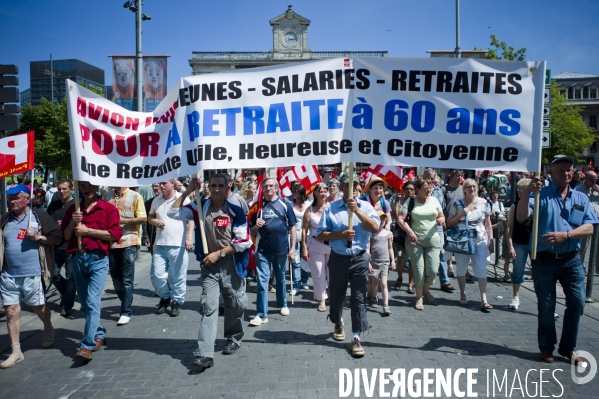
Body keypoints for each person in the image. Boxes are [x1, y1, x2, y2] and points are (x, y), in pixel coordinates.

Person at [517, 155, 599, 365]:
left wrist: (566, 235)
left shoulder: (580, 197)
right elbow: (521, 216)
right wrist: (527, 192)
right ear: (551, 173)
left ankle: (568, 348)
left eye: (569, 170)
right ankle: (546, 347)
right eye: (561, 170)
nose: (566, 173)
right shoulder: (540, 194)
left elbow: (590, 227)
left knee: (577, 303)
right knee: (546, 305)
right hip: (544, 259)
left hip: (571, 260)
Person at [169, 174, 251, 368]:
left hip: (231, 262)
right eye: (212, 185)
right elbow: (174, 212)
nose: (216, 189)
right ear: (207, 187)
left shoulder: (235, 211)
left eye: (220, 186)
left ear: (227, 187)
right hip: (209, 265)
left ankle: (234, 337)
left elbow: (243, 241)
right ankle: (205, 353)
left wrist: (220, 253)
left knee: (235, 302)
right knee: (209, 306)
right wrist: (188, 190)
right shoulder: (200, 206)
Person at [316, 172, 380, 357]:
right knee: (336, 295)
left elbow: (375, 228)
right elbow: (320, 234)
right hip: (338, 258)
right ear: (342, 188)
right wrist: (340, 235)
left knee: (359, 297)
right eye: (348, 185)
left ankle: (356, 336)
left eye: (356, 185)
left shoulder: (366, 207)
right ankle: (338, 321)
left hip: (360, 258)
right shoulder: (331, 208)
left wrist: (357, 211)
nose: (353, 189)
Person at [0, 184, 61, 368]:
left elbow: (56, 238)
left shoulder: (39, 216)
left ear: (27, 199)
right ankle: (16, 351)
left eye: (16, 197)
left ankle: (48, 326)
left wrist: (38, 238)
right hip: (9, 274)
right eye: (10, 198)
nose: (12, 201)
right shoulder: (5, 219)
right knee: (11, 312)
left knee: (38, 307)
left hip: (34, 273)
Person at [62, 181, 123, 361]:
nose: (86, 189)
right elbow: (66, 236)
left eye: (89, 186)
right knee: (84, 304)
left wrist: (88, 231)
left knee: (92, 300)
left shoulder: (108, 209)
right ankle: (98, 332)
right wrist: (74, 223)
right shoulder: (74, 209)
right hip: (78, 258)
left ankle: (86, 345)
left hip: (98, 259)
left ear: (97, 187)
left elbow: (114, 235)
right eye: (82, 186)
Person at [249, 178, 296, 325]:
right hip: (262, 249)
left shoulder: (285, 204)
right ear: (262, 189)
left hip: (281, 248)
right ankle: (261, 314)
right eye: (266, 186)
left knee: (280, 278)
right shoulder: (257, 206)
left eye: (271, 186)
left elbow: (292, 227)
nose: (268, 188)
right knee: (262, 281)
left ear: (276, 188)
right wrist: (256, 226)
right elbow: (250, 231)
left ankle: (283, 304)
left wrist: (293, 248)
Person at [447, 179, 494, 311]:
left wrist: (491, 241)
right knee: (461, 268)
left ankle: (484, 299)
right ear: (464, 190)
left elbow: (488, 223)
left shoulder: (484, 203)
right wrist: (464, 212)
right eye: (469, 187)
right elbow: (449, 223)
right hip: (462, 239)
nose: (472, 188)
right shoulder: (457, 204)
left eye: (474, 186)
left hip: (479, 238)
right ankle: (462, 293)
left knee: (481, 268)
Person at [148, 180, 194, 316]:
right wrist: (154, 220)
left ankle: (176, 301)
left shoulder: (182, 199)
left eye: (164, 183)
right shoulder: (156, 200)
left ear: (173, 184)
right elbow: (150, 217)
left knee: (178, 276)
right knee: (156, 275)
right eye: (160, 183)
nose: (161, 186)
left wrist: (189, 238)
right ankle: (165, 296)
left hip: (178, 243)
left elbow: (191, 220)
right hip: (160, 243)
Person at [398, 178, 444, 310]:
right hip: (414, 240)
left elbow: (442, 216)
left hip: (433, 239)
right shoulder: (411, 201)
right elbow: (400, 219)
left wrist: (441, 219)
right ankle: (419, 298)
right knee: (419, 270)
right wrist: (409, 231)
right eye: (426, 188)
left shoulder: (434, 200)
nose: (429, 190)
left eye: (430, 188)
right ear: (418, 189)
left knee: (433, 270)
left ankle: (425, 290)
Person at [103, 186, 147, 326]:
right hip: (111, 241)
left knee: (127, 279)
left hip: (129, 240)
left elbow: (143, 218)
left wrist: (124, 221)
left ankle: (125, 311)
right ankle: (126, 299)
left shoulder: (135, 196)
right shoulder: (107, 195)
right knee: (115, 278)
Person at [47, 178, 77, 317]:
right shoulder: (53, 205)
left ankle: (67, 305)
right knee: (53, 274)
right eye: (59, 189)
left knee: (71, 276)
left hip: (70, 246)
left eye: (64, 189)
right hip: (55, 245)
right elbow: (46, 221)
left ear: (71, 189)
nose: (61, 191)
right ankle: (67, 294)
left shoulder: (76, 205)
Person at [422, 168, 454, 294]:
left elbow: (443, 208)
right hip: (423, 227)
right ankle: (421, 282)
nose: (430, 180)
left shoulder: (438, 191)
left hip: (438, 227)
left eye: (432, 177)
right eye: (428, 178)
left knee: (441, 253)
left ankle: (444, 281)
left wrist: (443, 220)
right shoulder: (418, 190)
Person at [301, 183, 330, 312]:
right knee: (318, 273)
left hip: (332, 245)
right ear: (315, 193)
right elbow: (304, 229)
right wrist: (304, 247)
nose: (323, 193)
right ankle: (321, 299)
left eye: (325, 191)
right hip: (315, 245)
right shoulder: (309, 209)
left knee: (332, 274)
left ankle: (333, 295)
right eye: (320, 191)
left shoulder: (332, 207)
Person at [504, 178, 532, 310]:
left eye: (524, 189)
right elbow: (509, 227)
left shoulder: (536, 204)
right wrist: (510, 245)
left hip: (534, 242)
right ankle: (515, 296)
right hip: (519, 242)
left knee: (541, 272)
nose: (520, 191)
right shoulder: (514, 205)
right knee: (517, 270)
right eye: (519, 189)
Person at [367, 212, 395, 314]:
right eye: (379, 219)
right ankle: (374, 297)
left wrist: (393, 260)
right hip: (374, 261)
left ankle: (386, 305)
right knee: (374, 282)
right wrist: (368, 262)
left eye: (383, 219)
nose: (381, 221)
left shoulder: (388, 233)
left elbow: (390, 248)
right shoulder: (371, 233)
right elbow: (368, 249)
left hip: (385, 262)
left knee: (384, 283)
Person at [391, 181, 415, 292]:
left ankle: (411, 283)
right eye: (407, 189)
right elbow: (395, 215)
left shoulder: (416, 201)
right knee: (400, 259)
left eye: (411, 189)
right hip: (400, 234)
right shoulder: (399, 200)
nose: (409, 191)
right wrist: (396, 200)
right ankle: (399, 278)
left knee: (412, 260)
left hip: (412, 234)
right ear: (403, 190)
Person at [575, 170, 599, 273]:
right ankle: (579, 267)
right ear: (585, 179)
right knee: (583, 247)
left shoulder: (597, 189)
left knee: (597, 247)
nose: (594, 182)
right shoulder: (578, 190)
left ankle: (597, 268)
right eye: (592, 180)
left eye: (596, 180)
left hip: (597, 222)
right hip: (586, 222)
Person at [443, 170, 464, 278]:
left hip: (461, 222)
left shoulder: (464, 189)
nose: (460, 177)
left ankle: (463, 268)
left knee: (461, 245)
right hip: (448, 221)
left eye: (461, 175)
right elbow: (442, 206)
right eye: (457, 175)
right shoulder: (445, 189)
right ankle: (450, 266)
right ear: (452, 177)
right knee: (449, 245)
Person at [291, 181, 311, 293]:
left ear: (301, 192)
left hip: (306, 235)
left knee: (305, 259)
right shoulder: (290, 204)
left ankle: (304, 280)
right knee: (296, 261)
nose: (293, 193)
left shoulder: (309, 204)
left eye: (295, 191)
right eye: (292, 191)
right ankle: (297, 284)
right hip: (294, 234)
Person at [142, 183, 162, 254]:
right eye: (153, 186)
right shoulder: (148, 203)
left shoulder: (168, 201)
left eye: (156, 186)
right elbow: (145, 221)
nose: (154, 188)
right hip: (153, 236)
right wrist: (146, 237)